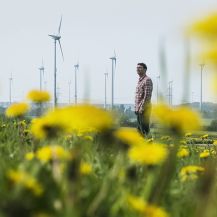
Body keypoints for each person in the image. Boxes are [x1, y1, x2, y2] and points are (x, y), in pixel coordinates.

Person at [135, 63, 153, 137]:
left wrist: (142, 107)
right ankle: (141, 146)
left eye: (140, 67)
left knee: (145, 129)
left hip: (144, 108)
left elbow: (147, 96)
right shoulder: (140, 80)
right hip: (139, 108)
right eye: (137, 68)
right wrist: (136, 108)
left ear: (145, 69)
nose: (137, 69)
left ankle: (149, 146)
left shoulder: (147, 80)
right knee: (139, 130)